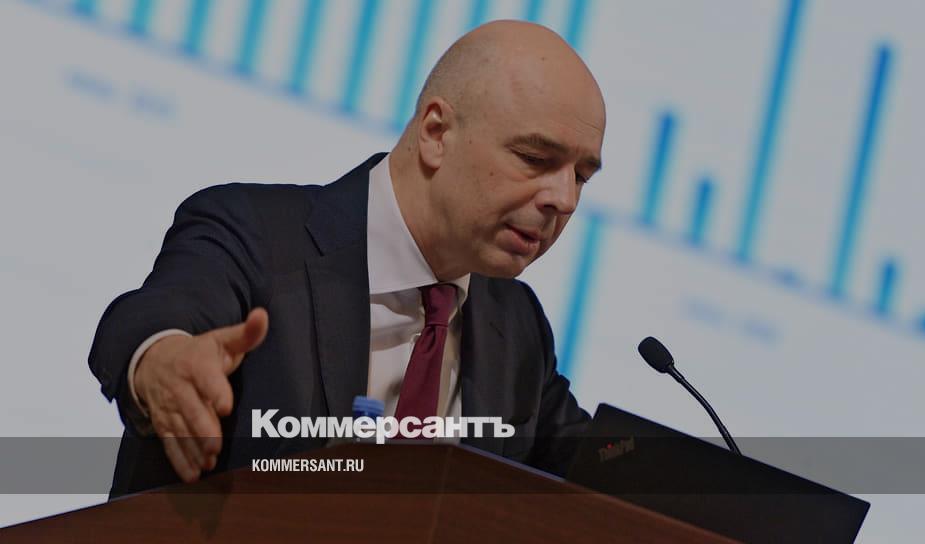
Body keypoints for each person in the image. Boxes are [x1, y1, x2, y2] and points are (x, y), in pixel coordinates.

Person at [89, 20, 606, 497]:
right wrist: (161, 361)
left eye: (581, 176)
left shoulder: (515, 323)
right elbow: (153, 319)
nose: (564, 199)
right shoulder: (254, 234)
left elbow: (591, 466)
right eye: (535, 159)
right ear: (436, 133)